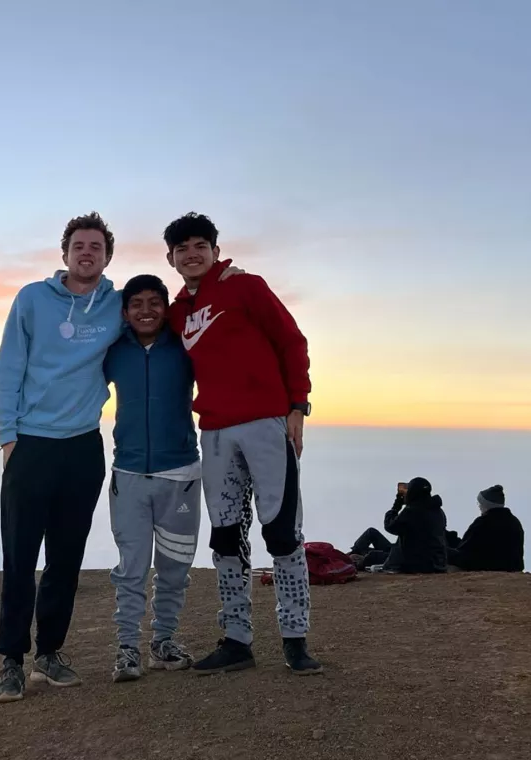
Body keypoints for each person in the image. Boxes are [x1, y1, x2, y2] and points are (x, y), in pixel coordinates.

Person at [0, 213, 246, 704]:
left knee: (66, 556)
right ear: (65, 253)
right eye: (79, 246)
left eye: (96, 248)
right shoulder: (32, 299)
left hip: (85, 446)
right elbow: (5, 373)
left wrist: (221, 278)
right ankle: (11, 662)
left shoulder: (115, 305)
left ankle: (50, 654)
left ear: (107, 256)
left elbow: (177, 313)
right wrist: (8, 438)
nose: (87, 254)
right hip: (31, 443)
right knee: (19, 558)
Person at [164, 212, 322, 676]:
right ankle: (237, 639)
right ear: (172, 259)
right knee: (227, 538)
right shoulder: (179, 313)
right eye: (182, 249)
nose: (191, 254)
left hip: (266, 423)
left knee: (282, 532)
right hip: (213, 431)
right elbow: (146, 320)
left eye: (200, 245)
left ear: (215, 249)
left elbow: (292, 341)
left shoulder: (246, 286)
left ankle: (295, 639)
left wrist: (298, 405)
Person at [104, 274, 202, 682]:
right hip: (128, 474)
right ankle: (127, 649)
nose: (146, 310)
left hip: (180, 474)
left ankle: (163, 641)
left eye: (154, 302)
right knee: (131, 567)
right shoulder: (111, 351)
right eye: (137, 304)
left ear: (166, 307)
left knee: (175, 566)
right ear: (125, 312)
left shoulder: (187, 347)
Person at [350, 479, 448, 573]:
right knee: (371, 533)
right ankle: (353, 554)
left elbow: (390, 526)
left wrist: (396, 507)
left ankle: (349, 558)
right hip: (433, 560)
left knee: (372, 555)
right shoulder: (439, 512)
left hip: (414, 561)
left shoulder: (412, 511)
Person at [448, 485, 525, 572]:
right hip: (512, 567)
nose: (479, 506)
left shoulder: (483, 522)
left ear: (486, 505)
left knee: (444, 555)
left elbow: (465, 549)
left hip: (486, 566)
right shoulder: (515, 522)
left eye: (480, 504)